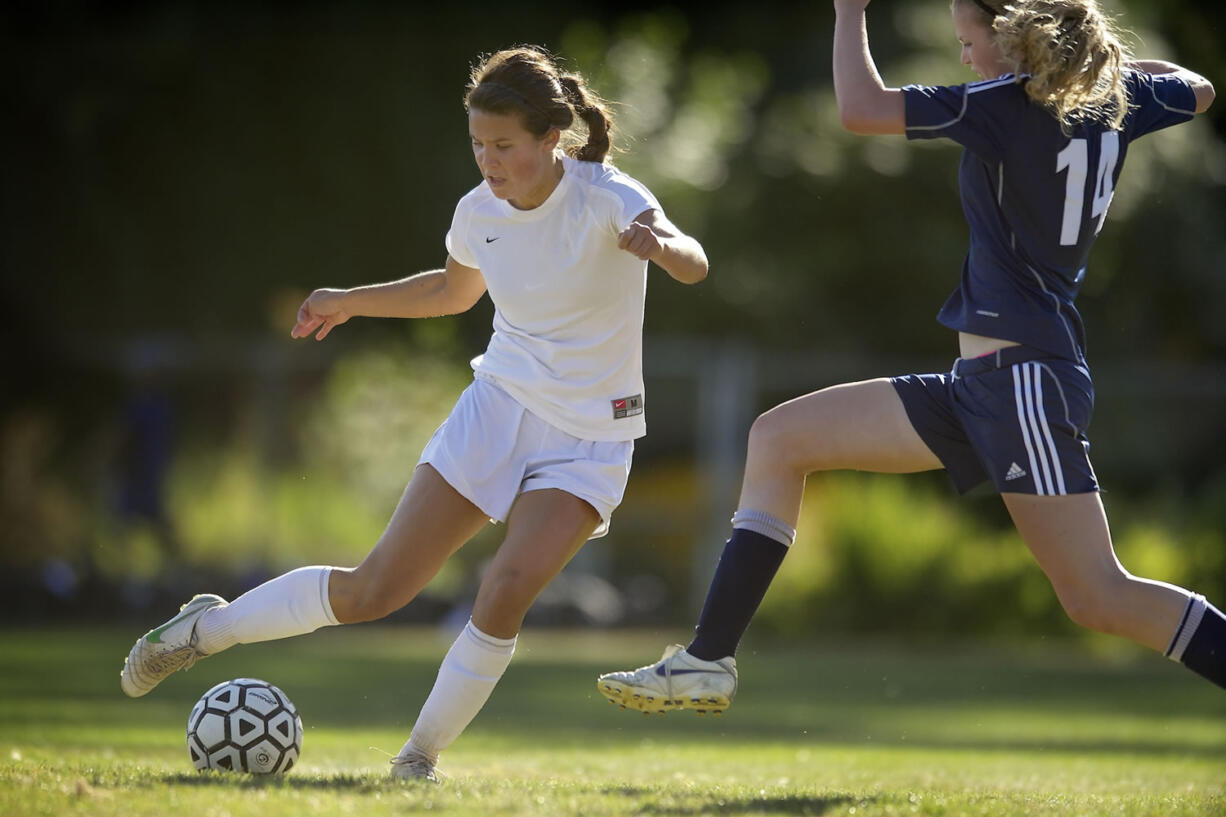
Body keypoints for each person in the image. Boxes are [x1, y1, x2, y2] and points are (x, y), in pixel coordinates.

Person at [597, 0, 1221, 716]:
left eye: (968, 40)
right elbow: (1199, 86)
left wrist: (848, 12)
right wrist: (1093, 69)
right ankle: (706, 659)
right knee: (780, 437)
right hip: (982, 383)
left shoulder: (1006, 106)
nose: (964, 57)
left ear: (1016, 38)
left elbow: (861, 110)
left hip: (1023, 382)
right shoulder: (1118, 98)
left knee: (1098, 595)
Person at [119, 45, 708, 781]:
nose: (489, 162)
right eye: (478, 146)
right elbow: (452, 292)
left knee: (504, 591)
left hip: (593, 436)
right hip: (498, 409)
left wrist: (665, 248)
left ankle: (416, 759)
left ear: (550, 139)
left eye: (504, 147)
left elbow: (694, 259)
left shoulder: (610, 196)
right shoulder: (477, 212)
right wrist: (348, 300)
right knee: (375, 591)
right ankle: (204, 628)